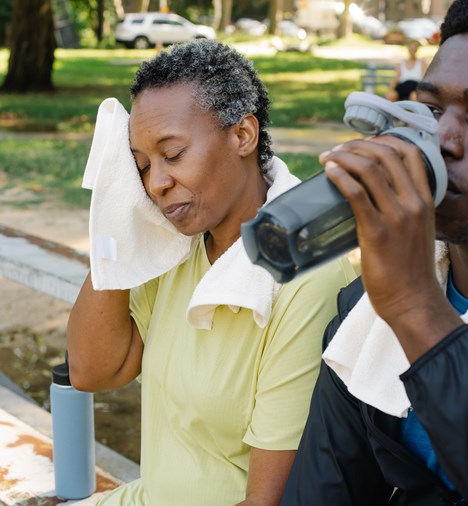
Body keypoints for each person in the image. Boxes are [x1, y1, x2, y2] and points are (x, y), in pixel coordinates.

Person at [281, 0, 468, 504]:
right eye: (431, 110)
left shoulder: (400, 298)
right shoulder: (366, 312)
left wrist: (416, 307)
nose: (441, 139)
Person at [67, 40, 356, 505]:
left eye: (173, 154)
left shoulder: (306, 278)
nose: (156, 183)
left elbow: (267, 501)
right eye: (140, 166)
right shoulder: (174, 244)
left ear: (243, 135)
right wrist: (115, 220)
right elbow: (92, 370)